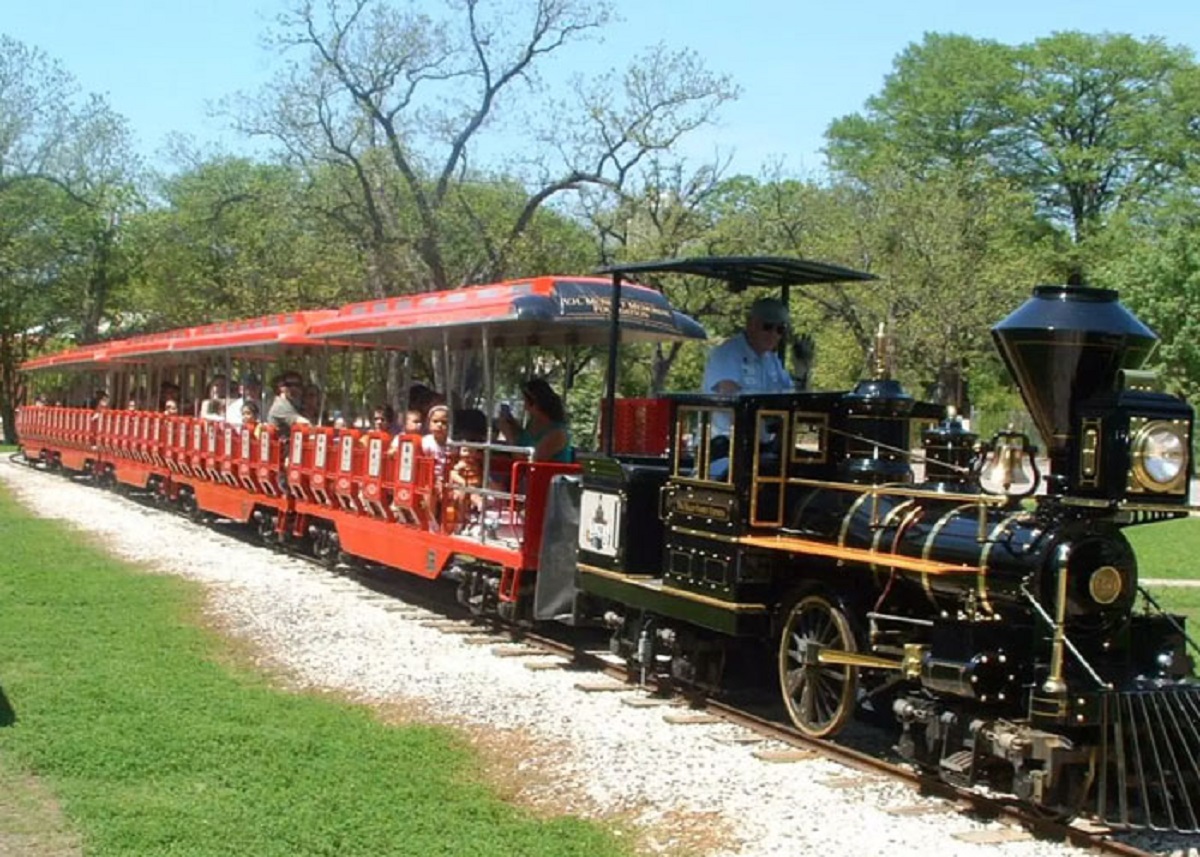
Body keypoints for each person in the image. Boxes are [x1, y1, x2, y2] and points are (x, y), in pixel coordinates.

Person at [701, 297, 795, 396]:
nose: (774, 334)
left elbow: (791, 394)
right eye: (767, 326)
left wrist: (802, 372)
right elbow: (727, 392)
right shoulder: (728, 353)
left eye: (780, 329)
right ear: (750, 324)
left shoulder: (772, 360)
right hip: (739, 411)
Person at [497, 378, 572, 463]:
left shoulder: (557, 434)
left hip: (544, 475)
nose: (525, 408)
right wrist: (512, 424)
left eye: (526, 402)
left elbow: (528, 462)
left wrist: (508, 435)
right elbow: (525, 440)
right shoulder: (534, 422)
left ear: (535, 404)